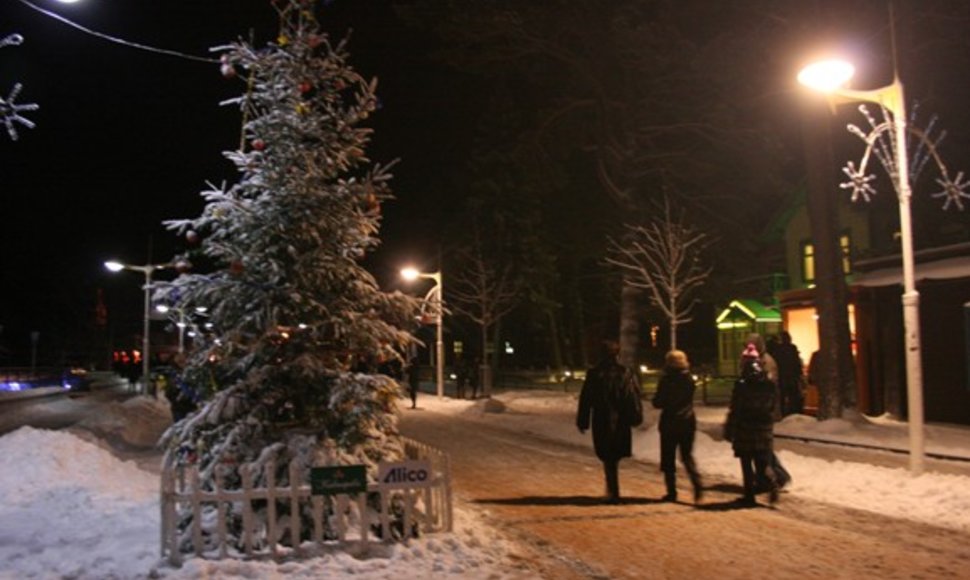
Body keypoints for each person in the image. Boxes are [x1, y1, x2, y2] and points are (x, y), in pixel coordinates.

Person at [576, 340, 643, 504]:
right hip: (621, 420)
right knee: (614, 454)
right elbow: (632, 396)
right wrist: (635, 416)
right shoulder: (626, 372)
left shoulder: (594, 373)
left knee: (607, 455)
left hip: (602, 418)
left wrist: (583, 420)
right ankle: (613, 489)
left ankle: (613, 490)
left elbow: (586, 399)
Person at [724, 343, 780, 505]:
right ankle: (772, 482)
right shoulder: (768, 382)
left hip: (745, 427)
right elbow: (772, 404)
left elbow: (736, 407)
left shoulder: (742, 384)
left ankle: (749, 496)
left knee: (746, 462)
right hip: (764, 427)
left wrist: (730, 427)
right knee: (762, 461)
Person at [651, 349, 703, 503]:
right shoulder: (688, 379)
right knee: (687, 455)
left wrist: (657, 400)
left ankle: (671, 491)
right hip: (688, 420)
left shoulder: (666, 380)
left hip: (670, 421)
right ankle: (696, 482)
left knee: (668, 457)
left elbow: (658, 401)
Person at [743, 332, 792, 489]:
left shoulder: (766, 362)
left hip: (763, 411)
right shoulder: (751, 361)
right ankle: (766, 477)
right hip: (755, 411)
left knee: (762, 447)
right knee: (759, 447)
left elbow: (769, 387)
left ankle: (778, 476)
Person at [770, 331, 805, 416]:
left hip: (782, 376)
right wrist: (799, 375)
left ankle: (783, 413)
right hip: (792, 377)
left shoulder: (777, 350)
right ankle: (794, 412)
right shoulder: (792, 348)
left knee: (782, 395)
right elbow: (797, 364)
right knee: (793, 396)